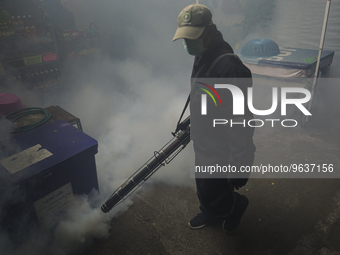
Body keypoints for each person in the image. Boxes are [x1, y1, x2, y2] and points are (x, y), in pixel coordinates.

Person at [172, 3, 256, 233]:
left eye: (193, 38)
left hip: (222, 144)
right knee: (206, 184)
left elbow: (241, 122)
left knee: (217, 186)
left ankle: (236, 206)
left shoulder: (230, 68)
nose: (188, 44)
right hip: (205, 139)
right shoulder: (203, 54)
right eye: (185, 39)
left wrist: (240, 163)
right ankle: (212, 211)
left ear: (210, 30)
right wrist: (193, 120)